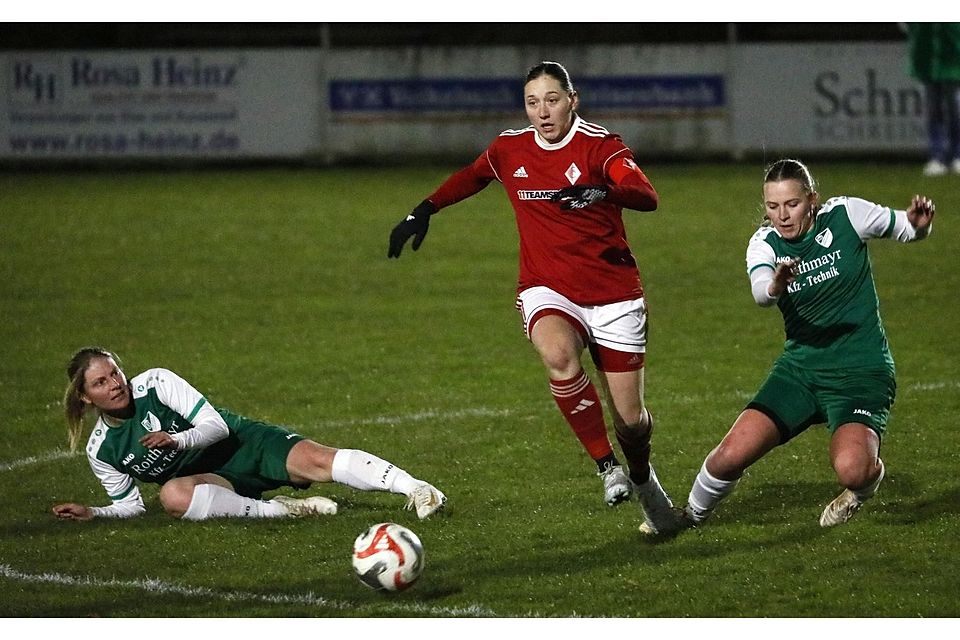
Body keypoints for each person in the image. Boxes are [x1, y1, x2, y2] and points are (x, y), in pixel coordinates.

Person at [387, 60, 677, 533]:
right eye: (532, 102)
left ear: (572, 101)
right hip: (547, 287)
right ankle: (607, 468)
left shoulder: (600, 145)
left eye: (552, 100)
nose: (542, 112)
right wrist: (425, 209)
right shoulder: (511, 147)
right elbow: (473, 175)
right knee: (558, 355)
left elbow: (646, 194)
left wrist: (602, 192)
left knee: (631, 422)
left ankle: (645, 482)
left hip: (613, 294)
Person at [665, 159, 935, 534]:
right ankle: (688, 518)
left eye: (792, 204)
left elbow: (907, 227)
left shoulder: (846, 215)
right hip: (801, 371)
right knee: (728, 455)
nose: (782, 215)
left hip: (862, 372)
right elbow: (761, 294)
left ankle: (862, 488)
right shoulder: (764, 243)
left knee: (852, 470)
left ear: (812, 200)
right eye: (773, 206)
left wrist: (919, 225)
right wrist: (776, 284)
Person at [52, 347, 446, 522]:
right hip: (213, 480)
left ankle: (417, 488)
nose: (115, 384)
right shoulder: (102, 450)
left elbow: (216, 426)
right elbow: (131, 507)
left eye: (115, 373)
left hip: (242, 443)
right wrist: (95, 512)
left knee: (318, 461)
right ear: (85, 398)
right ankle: (283, 511)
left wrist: (178, 440)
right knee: (172, 496)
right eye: (101, 382)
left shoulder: (155, 383)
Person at [904, 23, 960, 176]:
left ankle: (957, 154)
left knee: (954, 108)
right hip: (927, 60)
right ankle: (937, 156)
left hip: (954, 59)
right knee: (933, 109)